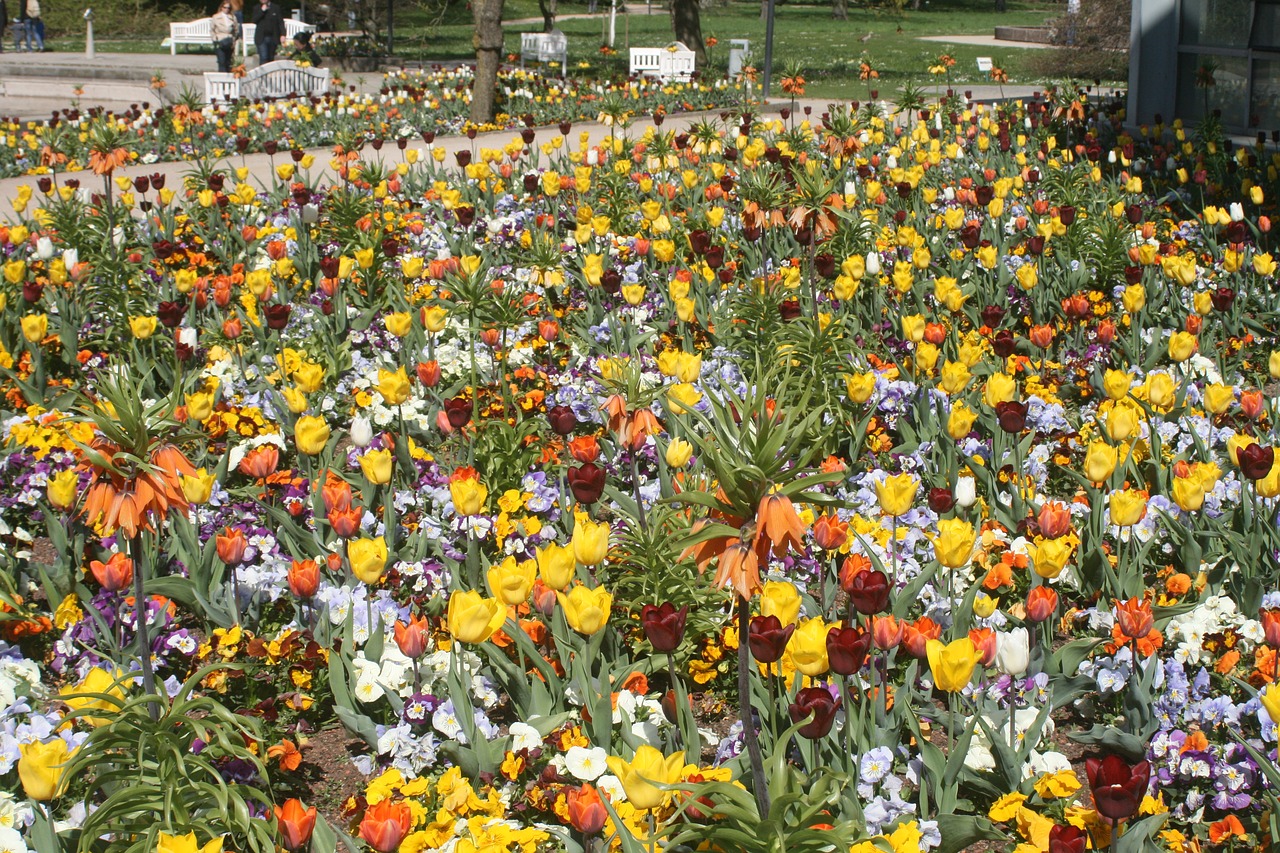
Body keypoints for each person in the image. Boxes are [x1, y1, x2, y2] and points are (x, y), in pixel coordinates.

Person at [251, 0, 283, 64]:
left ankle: (270, 73)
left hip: (273, 37)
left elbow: (280, 22)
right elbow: (254, 20)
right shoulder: (257, 8)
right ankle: (263, 73)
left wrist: (283, 34)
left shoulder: (276, 8)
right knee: (264, 57)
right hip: (261, 37)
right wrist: (262, 11)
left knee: (271, 57)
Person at [211, 1, 238, 72]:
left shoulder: (232, 17)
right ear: (221, 8)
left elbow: (236, 30)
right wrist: (214, 39)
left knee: (228, 62)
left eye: (228, 8)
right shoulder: (216, 17)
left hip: (229, 41)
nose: (226, 9)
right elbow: (212, 30)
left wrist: (234, 40)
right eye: (225, 7)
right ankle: (222, 79)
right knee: (221, 61)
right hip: (219, 40)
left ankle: (229, 80)